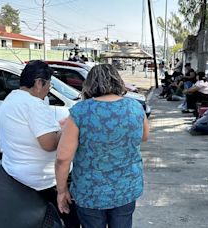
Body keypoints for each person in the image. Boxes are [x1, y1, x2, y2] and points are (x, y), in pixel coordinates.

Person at [55, 64, 150, 228]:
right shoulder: (135, 107)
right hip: (126, 188)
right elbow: (144, 136)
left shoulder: (80, 111)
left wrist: (62, 191)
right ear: (117, 81)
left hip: (90, 192)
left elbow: (63, 158)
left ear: (89, 84)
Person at [0, 60, 80, 227]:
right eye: (49, 84)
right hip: (43, 180)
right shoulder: (33, 104)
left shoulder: (11, 99)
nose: (49, 90)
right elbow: (49, 144)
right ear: (39, 82)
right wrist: (66, 129)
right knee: (72, 219)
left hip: (15, 171)